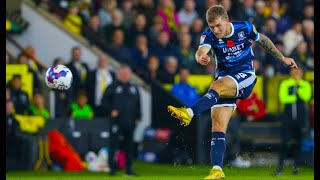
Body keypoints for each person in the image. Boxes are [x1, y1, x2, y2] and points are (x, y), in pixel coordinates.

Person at [167, 5, 298, 179]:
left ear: (227, 20)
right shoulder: (209, 35)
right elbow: (201, 50)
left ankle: (189, 113)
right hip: (225, 80)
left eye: (218, 26)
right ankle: (217, 170)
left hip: (245, 76)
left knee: (216, 86)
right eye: (212, 26)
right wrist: (200, 57)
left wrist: (282, 58)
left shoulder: (245, 27)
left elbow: (263, 40)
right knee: (218, 126)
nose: (215, 30)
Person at [101, 65, 141, 176]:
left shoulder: (133, 88)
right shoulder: (112, 87)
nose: (125, 75)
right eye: (123, 73)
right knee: (113, 145)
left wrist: (138, 117)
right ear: (119, 74)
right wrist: (111, 110)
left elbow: (138, 104)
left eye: (127, 74)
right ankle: (112, 170)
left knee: (129, 146)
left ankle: (129, 170)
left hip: (130, 122)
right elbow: (104, 101)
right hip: (116, 122)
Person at [274, 67, 312, 176]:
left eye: (299, 71)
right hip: (287, 118)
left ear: (302, 73)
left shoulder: (305, 84)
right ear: (291, 72)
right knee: (284, 143)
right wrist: (295, 95)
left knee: (298, 143)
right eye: (294, 71)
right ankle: (280, 168)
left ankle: (296, 169)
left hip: (300, 119)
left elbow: (306, 96)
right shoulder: (285, 83)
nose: (296, 73)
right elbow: (283, 98)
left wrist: (296, 90)